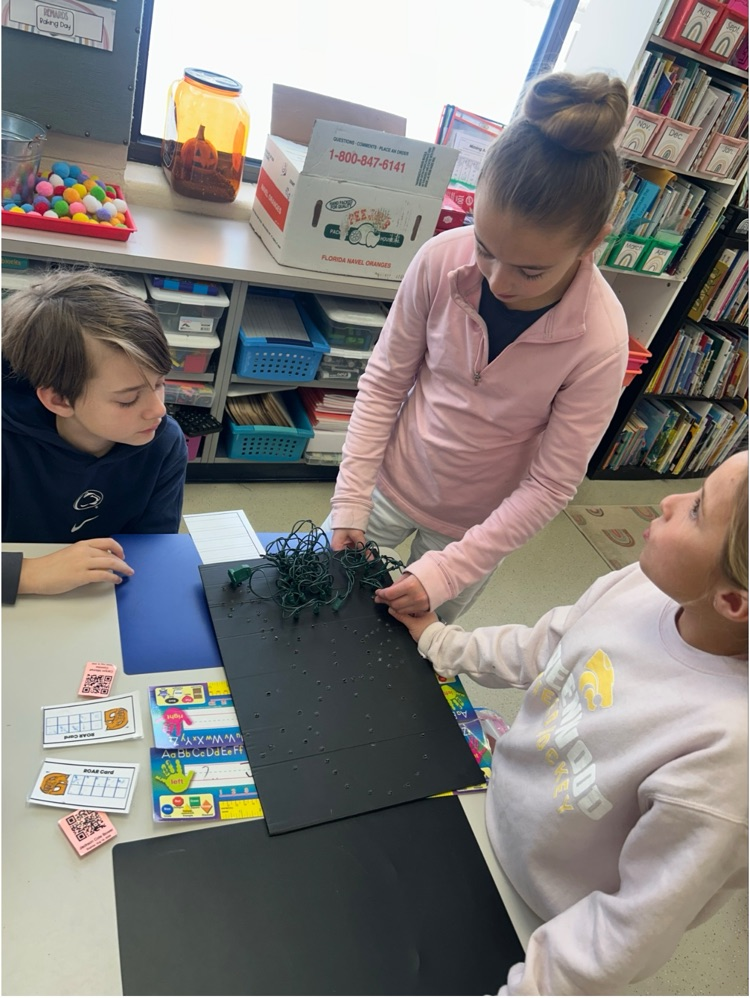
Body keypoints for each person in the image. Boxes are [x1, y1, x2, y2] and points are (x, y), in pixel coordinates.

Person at [390, 451, 749, 995]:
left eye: (698, 510)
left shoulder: (726, 755)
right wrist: (441, 640)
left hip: (539, 920)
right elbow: (546, 645)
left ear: (731, 601)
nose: (669, 500)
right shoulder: (641, 586)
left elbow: (632, 930)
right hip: (488, 817)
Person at [328, 71, 631, 622]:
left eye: (531, 270)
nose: (498, 281)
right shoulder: (441, 258)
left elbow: (550, 484)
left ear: (592, 243)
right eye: (486, 248)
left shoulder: (602, 339)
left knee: (417, 640)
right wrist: (351, 495)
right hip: (390, 482)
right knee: (331, 603)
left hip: (477, 527)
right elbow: (384, 382)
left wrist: (451, 568)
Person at [2, 268, 188, 604]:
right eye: (127, 399)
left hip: (103, 601)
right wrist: (28, 573)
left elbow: (153, 551)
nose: (158, 410)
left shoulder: (163, 441)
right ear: (59, 399)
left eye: (160, 383)